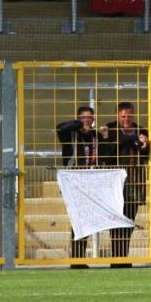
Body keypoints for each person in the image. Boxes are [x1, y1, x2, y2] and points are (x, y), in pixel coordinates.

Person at [98, 101, 150, 266]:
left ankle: (123, 257)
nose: (126, 119)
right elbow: (105, 155)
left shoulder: (141, 130)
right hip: (114, 182)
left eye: (129, 116)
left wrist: (144, 146)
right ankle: (116, 257)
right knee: (115, 220)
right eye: (123, 116)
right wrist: (128, 140)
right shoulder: (110, 129)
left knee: (128, 221)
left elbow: (147, 155)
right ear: (117, 116)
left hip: (134, 181)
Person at [56, 105, 99, 263]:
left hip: (91, 182)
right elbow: (60, 128)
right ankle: (77, 258)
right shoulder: (70, 135)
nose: (87, 120)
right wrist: (79, 124)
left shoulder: (95, 136)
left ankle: (79, 257)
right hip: (73, 182)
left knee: (86, 219)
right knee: (79, 219)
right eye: (83, 118)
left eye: (90, 118)